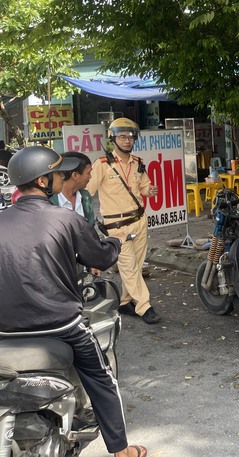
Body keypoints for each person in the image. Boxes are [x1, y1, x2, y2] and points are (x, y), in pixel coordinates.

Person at [0, 146, 148, 457]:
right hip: (60, 326)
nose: (60, 177)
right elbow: (100, 256)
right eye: (55, 173)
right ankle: (121, 451)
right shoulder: (65, 219)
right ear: (43, 182)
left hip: (5, 331)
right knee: (102, 378)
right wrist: (115, 241)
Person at [87, 118, 161, 325]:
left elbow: (144, 188)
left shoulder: (138, 163)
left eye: (130, 137)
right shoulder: (102, 165)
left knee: (135, 266)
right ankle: (144, 306)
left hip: (139, 220)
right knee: (128, 266)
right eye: (122, 137)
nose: (127, 141)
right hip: (116, 226)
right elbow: (87, 192)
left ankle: (125, 301)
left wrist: (150, 191)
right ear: (113, 139)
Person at [51, 151, 100, 275]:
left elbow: (90, 232)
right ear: (75, 175)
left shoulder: (85, 197)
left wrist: (93, 262)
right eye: (88, 173)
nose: (90, 177)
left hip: (80, 270)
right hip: (56, 269)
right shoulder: (49, 200)